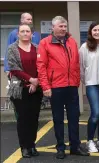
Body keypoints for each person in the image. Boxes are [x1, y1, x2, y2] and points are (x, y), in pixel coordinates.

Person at [36, 16, 89, 159]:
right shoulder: (44, 43)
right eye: (60, 26)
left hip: (71, 86)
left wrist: (76, 81)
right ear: (52, 28)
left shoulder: (72, 41)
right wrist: (45, 86)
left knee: (74, 117)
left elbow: (76, 64)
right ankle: (60, 147)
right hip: (56, 87)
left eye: (65, 26)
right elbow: (41, 67)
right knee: (58, 118)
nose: (63, 29)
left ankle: (75, 146)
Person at [7, 24, 42, 158]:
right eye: (22, 31)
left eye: (28, 31)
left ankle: (32, 144)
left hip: (36, 89)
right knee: (23, 119)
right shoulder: (12, 49)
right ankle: (24, 147)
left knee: (34, 119)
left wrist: (36, 81)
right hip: (20, 89)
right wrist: (30, 80)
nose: (25, 33)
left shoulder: (37, 48)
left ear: (32, 34)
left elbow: (41, 65)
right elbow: (14, 68)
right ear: (18, 34)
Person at [79, 22, 99, 153]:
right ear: (91, 32)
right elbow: (80, 67)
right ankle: (90, 140)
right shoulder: (85, 47)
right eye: (95, 30)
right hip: (92, 84)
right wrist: (86, 81)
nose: (97, 32)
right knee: (96, 113)